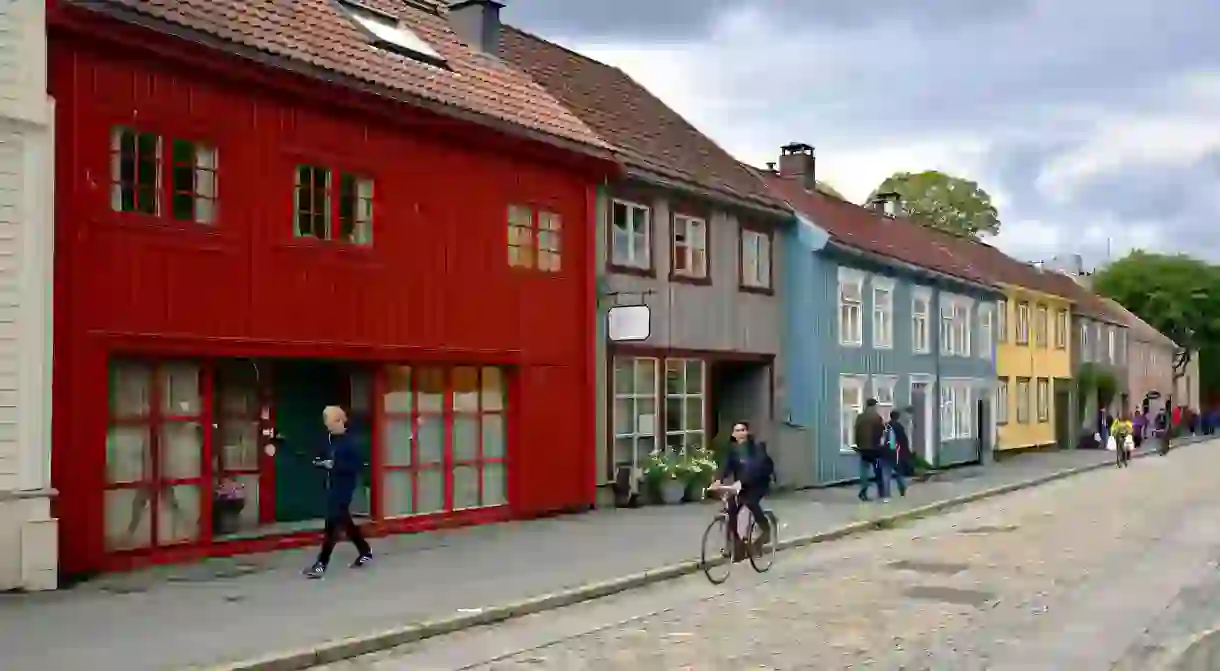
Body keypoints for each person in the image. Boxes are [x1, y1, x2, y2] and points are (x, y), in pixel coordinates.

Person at [304, 405, 373, 579]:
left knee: (332, 523)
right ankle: (365, 550)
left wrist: (334, 465)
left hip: (345, 486)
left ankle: (321, 564)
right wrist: (319, 461)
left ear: (340, 421)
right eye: (326, 422)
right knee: (344, 521)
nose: (327, 426)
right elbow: (321, 455)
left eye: (330, 422)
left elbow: (357, 466)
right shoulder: (328, 438)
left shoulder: (352, 441)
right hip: (332, 484)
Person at [712, 421, 774, 546]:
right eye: (737, 430)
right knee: (731, 506)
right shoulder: (733, 450)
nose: (740, 433)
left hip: (758, 483)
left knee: (750, 501)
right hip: (742, 485)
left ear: (748, 432)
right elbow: (726, 466)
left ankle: (765, 528)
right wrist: (718, 480)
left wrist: (741, 482)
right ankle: (736, 542)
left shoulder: (757, 448)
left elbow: (755, 468)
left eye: (743, 430)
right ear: (733, 434)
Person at [852, 398, 887, 502]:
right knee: (878, 471)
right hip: (875, 449)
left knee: (864, 472)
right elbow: (881, 432)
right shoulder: (877, 418)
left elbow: (856, 431)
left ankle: (863, 491)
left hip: (863, 448)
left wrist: (858, 445)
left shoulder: (860, 417)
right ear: (874, 406)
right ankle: (881, 492)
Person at [879, 413, 909, 497]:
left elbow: (881, 440)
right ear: (898, 417)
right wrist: (905, 453)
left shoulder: (885, 427)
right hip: (896, 454)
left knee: (885, 474)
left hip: (884, 453)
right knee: (899, 473)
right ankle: (902, 488)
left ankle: (887, 494)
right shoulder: (899, 427)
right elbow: (903, 441)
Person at [888, 410, 915, 477]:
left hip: (892, 446)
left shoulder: (888, 425)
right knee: (903, 460)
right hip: (899, 446)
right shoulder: (898, 426)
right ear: (897, 417)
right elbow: (901, 437)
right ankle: (907, 472)